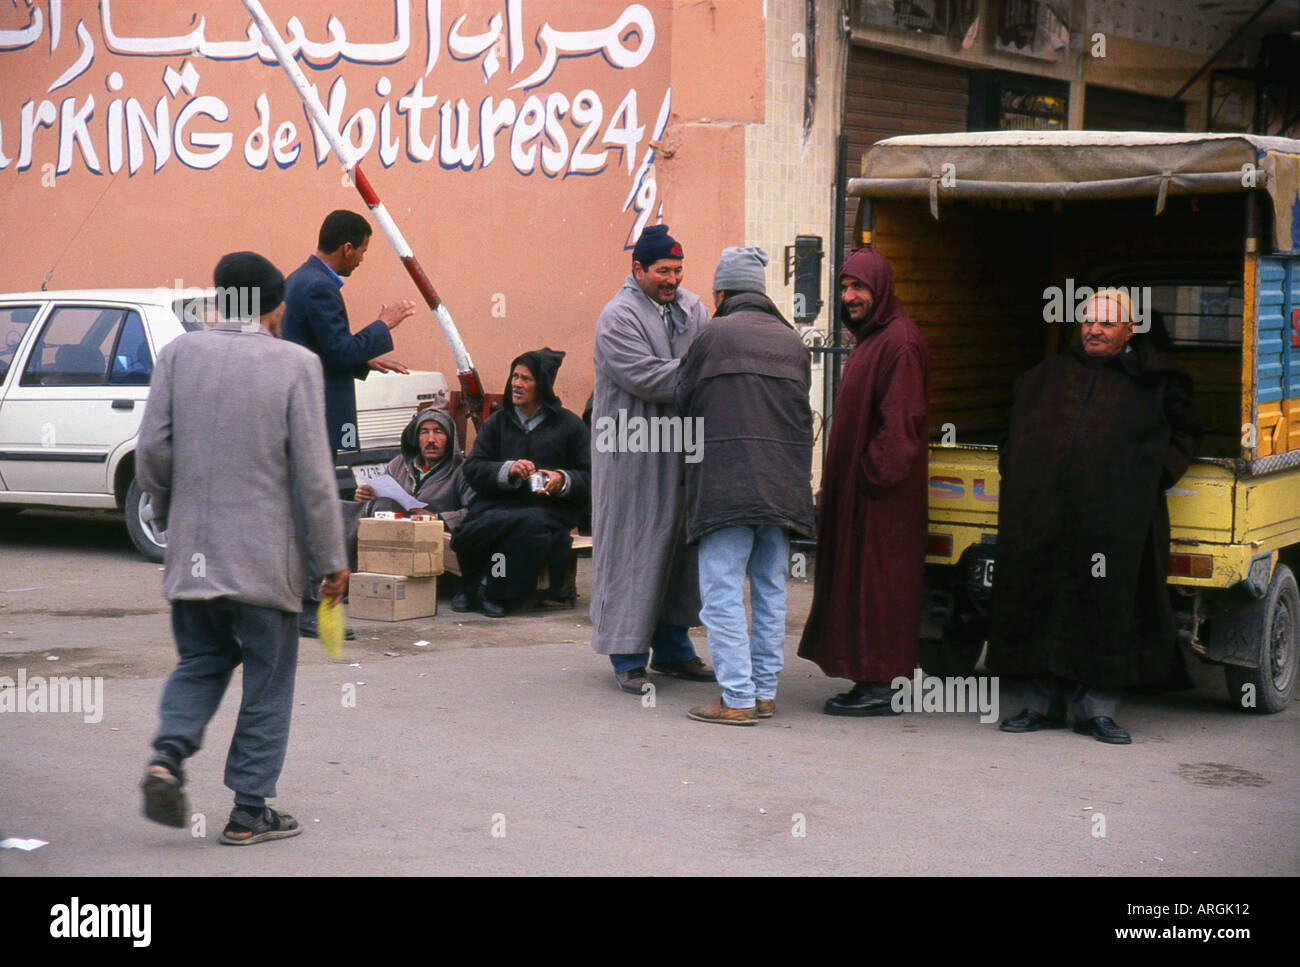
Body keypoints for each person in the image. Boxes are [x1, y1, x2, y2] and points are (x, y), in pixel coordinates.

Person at [136, 252, 348, 846]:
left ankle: (167, 758)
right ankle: (249, 810)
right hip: (263, 567)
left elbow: (152, 449)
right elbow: (313, 475)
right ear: (276, 305)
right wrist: (332, 560)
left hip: (193, 561)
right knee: (268, 679)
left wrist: (169, 516)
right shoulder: (295, 364)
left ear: (219, 297)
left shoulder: (179, 355)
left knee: (201, 661)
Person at [988, 289, 1201, 744]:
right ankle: (1038, 704)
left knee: (1106, 606)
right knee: (1038, 600)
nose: (1094, 330)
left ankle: (1095, 711)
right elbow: (1014, 431)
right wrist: (1019, 467)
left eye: (1106, 323)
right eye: (1088, 321)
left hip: (1114, 521)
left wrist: (1155, 474)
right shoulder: (1047, 376)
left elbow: (1185, 434)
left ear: (1130, 329)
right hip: (1042, 516)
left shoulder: (1158, 382)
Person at [675, 247, 816, 725]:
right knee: (771, 591)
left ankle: (736, 697)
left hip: (726, 486)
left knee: (721, 593)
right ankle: (765, 692)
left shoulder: (711, 335)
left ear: (721, 292)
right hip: (781, 489)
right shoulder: (792, 341)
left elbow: (683, 401)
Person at [797, 248, 930, 715]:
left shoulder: (900, 343)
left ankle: (880, 683)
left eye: (859, 288)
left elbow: (900, 426)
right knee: (860, 587)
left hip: (882, 500)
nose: (849, 297)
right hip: (862, 496)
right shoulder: (873, 340)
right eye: (845, 288)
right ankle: (867, 676)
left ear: (881, 289)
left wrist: (870, 480)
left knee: (879, 587)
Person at [590, 224, 714, 694]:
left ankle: (674, 649)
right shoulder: (617, 317)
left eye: (679, 270)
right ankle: (626, 655)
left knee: (680, 550)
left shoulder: (693, 307)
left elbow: (704, 356)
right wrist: (709, 372)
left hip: (682, 447)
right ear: (637, 268)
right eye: (663, 270)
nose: (673, 279)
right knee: (634, 546)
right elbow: (646, 377)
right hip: (632, 452)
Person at [282, 209, 415, 637]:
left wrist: (366, 356)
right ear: (347, 248)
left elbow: (322, 349)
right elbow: (337, 352)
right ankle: (307, 605)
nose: (361, 260)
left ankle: (301, 601)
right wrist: (383, 325)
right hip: (314, 417)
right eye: (361, 251)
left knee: (304, 507)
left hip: (304, 412)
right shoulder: (320, 287)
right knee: (312, 510)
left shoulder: (301, 279)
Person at [452, 348, 590, 616]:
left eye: (526, 379)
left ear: (543, 385)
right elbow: (474, 468)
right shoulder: (497, 423)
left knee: (525, 529)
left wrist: (562, 479)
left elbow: (591, 476)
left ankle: (493, 592)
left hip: (548, 509)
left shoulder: (570, 426)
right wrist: (508, 470)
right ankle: (474, 584)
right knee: (474, 527)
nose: (516, 384)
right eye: (514, 376)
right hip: (498, 503)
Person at [343, 407, 474, 569]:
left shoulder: (463, 471)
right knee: (342, 507)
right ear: (416, 438)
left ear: (449, 438)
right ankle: (342, 571)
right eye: (424, 432)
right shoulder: (399, 464)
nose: (431, 439)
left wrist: (436, 517)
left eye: (438, 432)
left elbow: (475, 511)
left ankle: (346, 573)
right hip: (395, 534)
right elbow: (381, 499)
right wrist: (365, 495)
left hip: (431, 541)